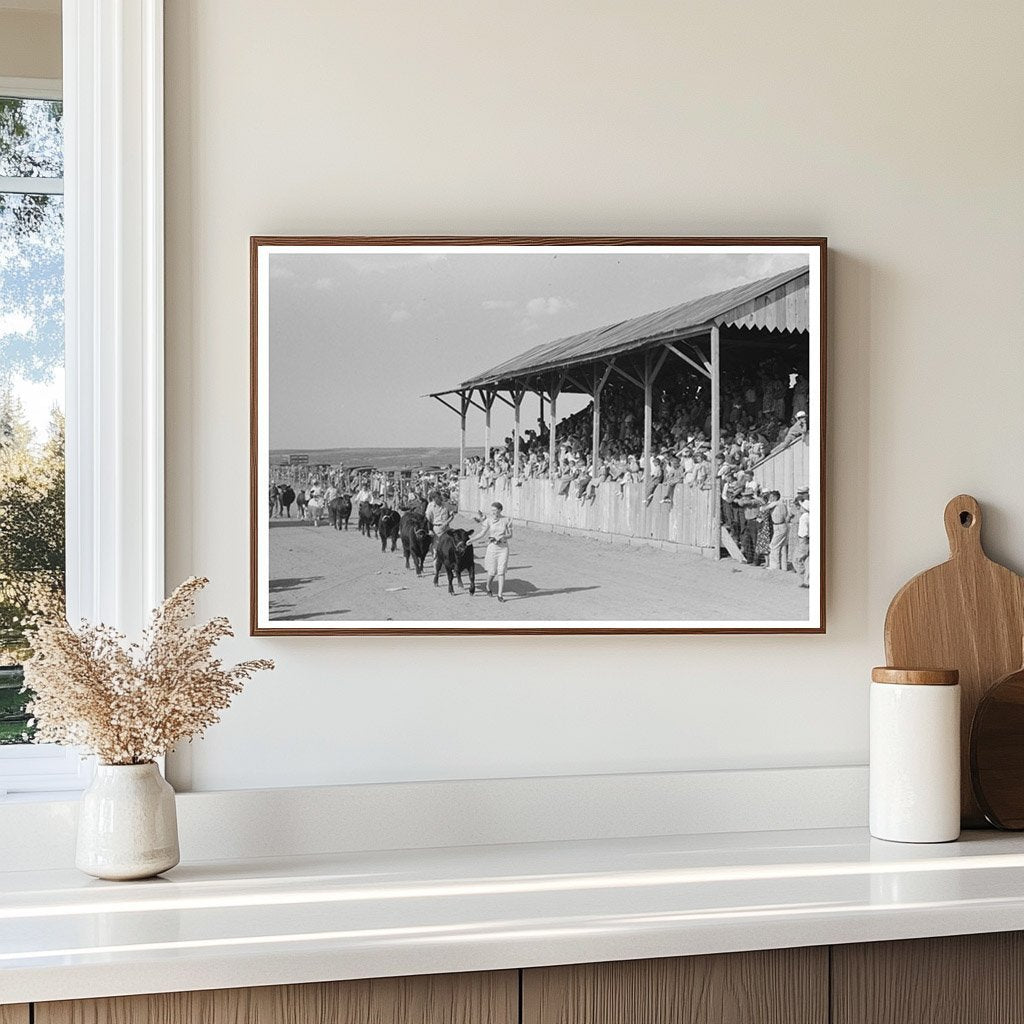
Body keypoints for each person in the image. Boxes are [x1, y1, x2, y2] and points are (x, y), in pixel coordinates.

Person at [470, 501, 513, 602]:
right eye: (492, 510)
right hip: (492, 547)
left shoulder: (507, 520)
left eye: (495, 510)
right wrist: (471, 540)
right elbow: (482, 533)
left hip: (503, 548)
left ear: (500, 510)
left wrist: (503, 536)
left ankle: (500, 595)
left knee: (501, 571)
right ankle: (488, 586)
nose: (493, 512)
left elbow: (510, 534)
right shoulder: (488, 520)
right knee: (492, 572)